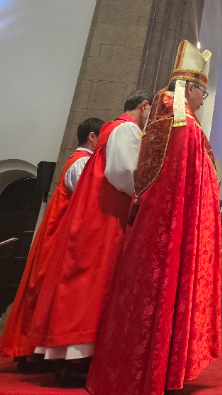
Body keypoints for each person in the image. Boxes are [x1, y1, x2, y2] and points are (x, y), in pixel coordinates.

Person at [87, 40, 222, 395]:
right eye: (202, 94)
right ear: (190, 88)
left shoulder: (166, 121)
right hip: (170, 230)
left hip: (156, 227)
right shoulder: (184, 126)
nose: (201, 101)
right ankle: (155, 369)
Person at [26, 90, 151, 383]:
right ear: (143, 106)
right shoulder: (128, 128)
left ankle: (68, 358)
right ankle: (78, 362)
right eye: (150, 113)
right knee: (92, 285)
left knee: (80, 284)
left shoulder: (109, 128)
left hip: (94, 214)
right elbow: (124, 173)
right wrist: (146, 194)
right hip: (106, 218)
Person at [0, 117, 104, 364]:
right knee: (43, 292)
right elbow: (89, 197)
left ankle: (34, 351)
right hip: (58, 239)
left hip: (56, 236)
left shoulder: (78, 160)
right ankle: (28, 351)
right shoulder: (82, 163)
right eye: (103, 137)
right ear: (92, 136)